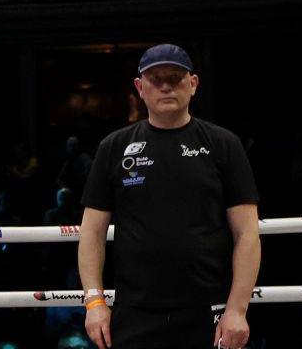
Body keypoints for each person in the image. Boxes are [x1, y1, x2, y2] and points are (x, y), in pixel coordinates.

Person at [78, 44, 260, 349]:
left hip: (207, 308)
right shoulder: (114, 147)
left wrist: (237, 310)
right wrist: (94, 302)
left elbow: (247, 233)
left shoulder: (223, 145)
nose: (165, 86)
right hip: (134, 309)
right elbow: (92, 232)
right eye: (155, 78)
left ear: (193, 84)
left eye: (175, 78)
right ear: (139, 87)